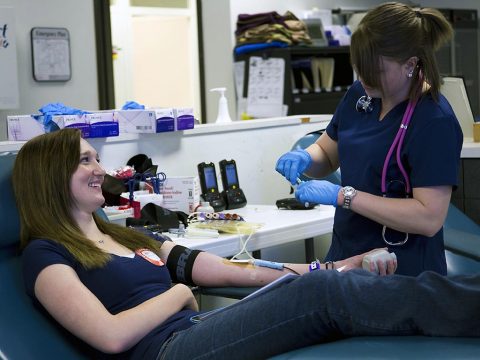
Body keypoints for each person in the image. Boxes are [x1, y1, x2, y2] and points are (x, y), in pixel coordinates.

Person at [15, 128, 397, 359]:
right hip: (167, 351)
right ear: (51, 176)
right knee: (322, 297)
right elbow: (110, 337)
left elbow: (227, 271)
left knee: (325, 292)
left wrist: (333, 267)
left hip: (199, 328)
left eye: (97, 159)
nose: (101, 170)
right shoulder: (46, 254)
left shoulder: (126, 234)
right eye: (85, 161)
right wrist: (178, 293)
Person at [276, 2, 463, 276]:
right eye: (358, 68)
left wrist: (345, 196)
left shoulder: (434, 120)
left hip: (402, 272)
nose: (363, 78)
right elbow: (327, 155)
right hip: (345, 258)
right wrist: (305, 158)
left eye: (374, 71)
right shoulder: (360, 96)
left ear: (410, 64)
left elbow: (428, 217)